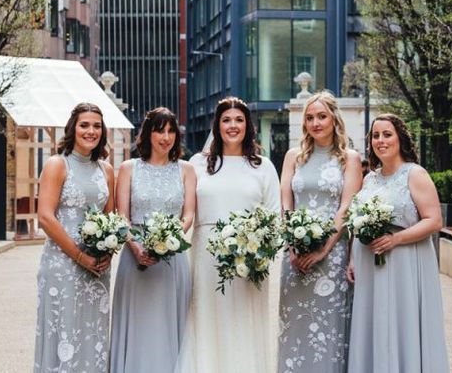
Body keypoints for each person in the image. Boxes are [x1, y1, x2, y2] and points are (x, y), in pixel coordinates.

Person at [174, 97, 281, 373]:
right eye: (226, 120)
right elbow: (184, 209)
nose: (233, 126)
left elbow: (274, 217)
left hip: (250, 260)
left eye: (239, 120)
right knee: (206, 320)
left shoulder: (263, 166)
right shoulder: (198, 164)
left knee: (243, 321)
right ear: (217, 125)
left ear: (248, 126)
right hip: (206, 255)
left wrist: (257, 251)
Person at [347, 113, 449, 373]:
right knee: (375, 322)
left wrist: (395, 239)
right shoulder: (369, 179)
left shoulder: (415, 174)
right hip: (370, 263)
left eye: (387, 134)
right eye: (376, 136)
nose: (380, 141)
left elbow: (434, 220)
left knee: (402, 321)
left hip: (405, 261)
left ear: (400, 139)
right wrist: (351, 258)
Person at [278, 91, 363, 372]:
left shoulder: (349, 158)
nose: (316, 123)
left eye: (322, 116)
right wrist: (293, 246)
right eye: (310, 118)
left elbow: (346, 207)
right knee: (296, 324)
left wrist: (323, 249)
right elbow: (286, 204)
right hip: (295, 257)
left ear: (334, 119)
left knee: (330, 326)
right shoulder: (294, 156)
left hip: (332, 256)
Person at [109, 107, 196, 373]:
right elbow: (121, 216)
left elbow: (188, 215)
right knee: (139, 323)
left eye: (171, 131)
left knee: (168, 323)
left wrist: (166, 241)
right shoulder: (128, 168)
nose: (165, 137)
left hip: (172, 259)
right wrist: (135, 246)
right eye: (159, 130)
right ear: (147, 134)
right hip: (135, 259)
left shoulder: (186, 170)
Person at [34, 102, 115, 372]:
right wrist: (80, 256)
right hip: (63, 265)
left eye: (96, 126)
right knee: (64, 333)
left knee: (93, 334)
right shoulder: (58, 164)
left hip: (97, 268)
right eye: (84, 125)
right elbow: (45, 216)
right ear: (73, 129)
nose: (90, 131)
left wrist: (107, 252)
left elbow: (111, 218)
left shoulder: (107, 170)